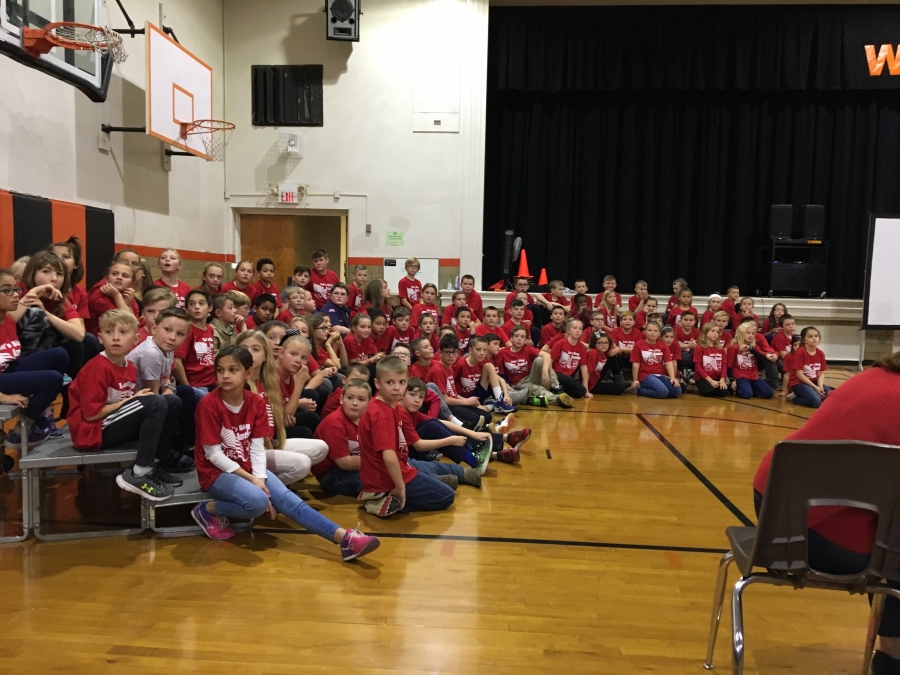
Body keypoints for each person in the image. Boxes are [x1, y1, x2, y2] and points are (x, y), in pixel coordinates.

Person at [751, 352, 900, 674]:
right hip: (815, 530)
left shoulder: (870, 377)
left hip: (776, 505)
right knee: (896, 547)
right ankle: (892, 653)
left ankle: (892, 651)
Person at [190, 346, 379, 560]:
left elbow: (257, 447)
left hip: (247, 467)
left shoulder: (256, 402)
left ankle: (344, 539)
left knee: (288, 499)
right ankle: (209, 509)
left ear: (248, 373)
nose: (225, 375)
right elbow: (213, 455)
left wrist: (260, 477)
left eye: (233, 370)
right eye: (221, 370)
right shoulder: (208, 404)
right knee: (258, 502)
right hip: (215, 472)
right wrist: (253, 479)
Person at [67, 309, 182, 500]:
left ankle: (154, 464)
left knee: (173, 402)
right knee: (156, 402)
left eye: (123, 332)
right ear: (100, 338)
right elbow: (90, 415)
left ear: (135, 339)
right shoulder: (97, 367)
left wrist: (133, 402)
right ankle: (139, 473)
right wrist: (130, 401)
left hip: (112, 423)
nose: (116, 338)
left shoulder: (130, 367)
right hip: (92, 431)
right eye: (109, 332)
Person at [357, 355, 455, 516]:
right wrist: (400, 486)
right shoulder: (382, 413)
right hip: (386, 480)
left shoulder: (390, 406)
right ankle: (382, 500)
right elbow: (388, 455)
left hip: (390, 472)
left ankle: (382, 496)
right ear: (377, 384)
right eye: (390, 382)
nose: (397, 388)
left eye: (402, 382)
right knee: (446, 497)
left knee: (435, 483)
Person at [235, 331, 328, 485]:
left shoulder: (267, 381)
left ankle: (267, 483)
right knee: (302, 464)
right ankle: (260, 486)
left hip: (272, 441)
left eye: (256, 349)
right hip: (252, 451)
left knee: (321, 448)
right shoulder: (240, 385)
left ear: (265, 356)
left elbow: (282, 416)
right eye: (244, 348)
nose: (249, 354)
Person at [0, 268, 67, 449]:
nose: (15, 294)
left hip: (8, 371)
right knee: (52, 379)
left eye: (16, 289)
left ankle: (41, 412)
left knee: (59, 355)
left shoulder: (8, 320)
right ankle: (24, 428)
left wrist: (39, 290)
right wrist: (3, 397)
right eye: (7, 290)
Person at [127, 306, 197, 468]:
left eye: (179, 334)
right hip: (132, 405)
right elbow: (153, 395)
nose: (172, 337)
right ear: (153, 328)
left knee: (186, 393)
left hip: (149, 398)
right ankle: (161, 455)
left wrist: (168, 388)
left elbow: (166, 379)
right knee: (171, 401)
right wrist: (168, 389)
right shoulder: (151, 353)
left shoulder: (166, 347)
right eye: (167, 330)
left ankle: (185, 446)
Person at [312, 378, 371, 496]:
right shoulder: (334, 423)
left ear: (369, 403)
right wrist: (380, 461)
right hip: (331, 474)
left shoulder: (368, 420)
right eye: (350, 398)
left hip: (358, 465)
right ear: (341, 399)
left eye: (361, 399)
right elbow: (345, 463)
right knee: (381, 479)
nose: (355, 403)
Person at [427, 334, 492, 430]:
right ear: (440, 353)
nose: (451, 356)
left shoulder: (449, 368)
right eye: (447, 352)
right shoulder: (438, 371)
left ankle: (486, 427)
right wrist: (465, 401)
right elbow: (445, 400)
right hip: (448, 407)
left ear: (458, 353)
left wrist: (470, 401)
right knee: (476, 419)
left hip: (455, 402)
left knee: (487, 416)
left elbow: (453, 393)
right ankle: (486, 428)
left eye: (454, 352)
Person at [275, 334, 324, 436]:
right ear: (281, 353)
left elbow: (287, 414)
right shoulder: (273, 376)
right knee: (305, 432)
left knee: (312, 417)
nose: (298, 360)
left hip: (282, 418)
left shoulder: (292, 374)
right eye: (293, 354)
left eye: (303, 358)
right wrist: (299, 384)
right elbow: (284, 417)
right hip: (272, 427)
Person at [173, 289, 216, 400]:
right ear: (186, 310)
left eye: (201, 303)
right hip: (196, 384)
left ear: (210, 308)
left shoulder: (210, 329)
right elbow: (176, 361)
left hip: (213, 381)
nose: (196, 307)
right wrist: (188, 388)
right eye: (192, 304)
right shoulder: (187, 330)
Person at [454, 336, 515, 412]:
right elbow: (450, 389)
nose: (482, 353)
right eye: (478, 350)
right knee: (482, 410)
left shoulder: (483, 361)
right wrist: (465, 401)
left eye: (484, 350)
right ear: (470, 350)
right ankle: (493, 405)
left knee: (489, 366)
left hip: (477, 394)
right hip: (463, 398)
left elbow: (501, 380)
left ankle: (500, 401)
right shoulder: (460, 364)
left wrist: (506, 396)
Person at [86, 261, 140, 335]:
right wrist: (117, 296)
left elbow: (135, 327)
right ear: (107, 279)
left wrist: (129, 306)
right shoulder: (98, 296)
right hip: (99, 341)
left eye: (125, 276)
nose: (119, 277)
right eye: (114, 274)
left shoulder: (129, 297)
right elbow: (126, 323)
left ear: (132, 284)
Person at [631, 321, 681, 399]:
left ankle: (657, 389)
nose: (652, 333)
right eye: (650, 330)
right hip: (645, 375)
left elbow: (668, 362)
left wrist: (672, 378)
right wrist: (635, 380)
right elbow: (636, 363)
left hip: (659, 375)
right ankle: (638, 390)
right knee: (662, 392)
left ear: (659, 334)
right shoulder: (639, 344)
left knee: (677, 391)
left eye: (655, 331)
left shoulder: (663, 345)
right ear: (645, 332)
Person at [788, 326, 833, 408]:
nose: (814, 338)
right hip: (799, 383)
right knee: (816, 402)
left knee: (831, 398)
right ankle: (794, 398)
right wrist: (815, 387)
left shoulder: (820, 353)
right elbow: (799, 374)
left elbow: (821, 373)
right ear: (804, 340)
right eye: (810, 337)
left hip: (814, 381)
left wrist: (820, 386)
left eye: (816, 336)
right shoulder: (800, 353)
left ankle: (811, 394)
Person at [728, 322, 774, 399]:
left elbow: (762, 359)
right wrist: (732, 380)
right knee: (747, 394)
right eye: (748, 333)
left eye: (753, 333)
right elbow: (729, 366)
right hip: (740, 376)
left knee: (768, 394)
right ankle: (737, 389)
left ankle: (750, 388)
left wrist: (751, 349)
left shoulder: (754, 347)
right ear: (741, 333)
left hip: (754, 376)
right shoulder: (734, 347)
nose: (750, 335)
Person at [693, 322, 729, 398]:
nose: (715, 333)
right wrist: (711, 381)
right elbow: (698, 367)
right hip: (704, 377)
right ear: (705, 332)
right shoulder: (699, 348)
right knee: (707, 391)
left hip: (717, 377)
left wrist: (722, 380)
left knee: (724, 392)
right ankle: (695, 387)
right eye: (712, 331)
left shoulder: (721, 348)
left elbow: (724, 365)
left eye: (717, 332)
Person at [586, 332, 628, 396]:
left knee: (612, 356)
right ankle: (624, 384)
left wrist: (615, 348)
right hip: (591, 385)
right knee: (620, 388)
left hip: (597, 379)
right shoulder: (593, 353)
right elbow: (587, 372)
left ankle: (623, 382)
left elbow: (616, 350)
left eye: (606, 343)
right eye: (600, 343)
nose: (603, 345)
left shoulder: (605, 351)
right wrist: (586, 389)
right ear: (594, 344)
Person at [674, 311, 700, 377]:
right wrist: (688, 345)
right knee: (684, 355)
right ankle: (683, 372)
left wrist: (695, 345)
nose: (688, 322)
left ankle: (690, 373)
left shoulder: (697, 331)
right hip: (679, 355)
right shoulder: (675, 331)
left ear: (694, 322)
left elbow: (700, 345)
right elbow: (673, 346)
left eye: (691, 320)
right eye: (685, 320)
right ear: (680, 321)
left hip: (692, 355)